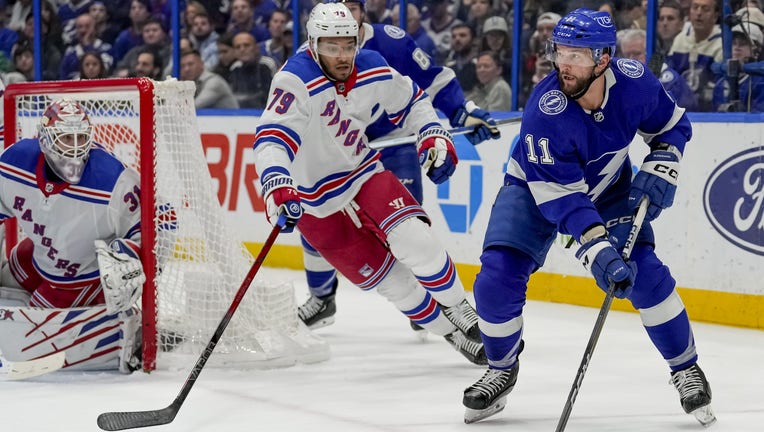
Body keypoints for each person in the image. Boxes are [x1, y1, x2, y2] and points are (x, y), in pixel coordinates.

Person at [461, 8, 716, 427]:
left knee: (645, 273)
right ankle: (502, 367)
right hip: (533, 190)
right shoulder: (544, 112)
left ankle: (685, 367)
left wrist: (664, 159)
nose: (564, 63)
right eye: (560, 52)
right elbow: (564, 201)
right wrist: (595, 246)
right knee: (496, 276)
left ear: (603, 59)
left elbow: (672, 125)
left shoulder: (635, 83)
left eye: (577, 55)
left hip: (611, 188)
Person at [253, 2, 487, 365]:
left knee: (415, 239)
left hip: (361, 171)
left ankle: (460, 308)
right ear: (313, 45)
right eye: (332, 46)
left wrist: (431, 133)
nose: (343, 55)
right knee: (396, 285)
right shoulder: (294, 79)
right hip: (313, 200)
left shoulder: (372, 64)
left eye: (348, 44)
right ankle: (452, 335)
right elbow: (271, 138)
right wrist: (276, 183)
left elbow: (412, 100)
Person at [0, 99, 147, 372]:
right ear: (44, 139)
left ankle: (121, 329)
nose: (76, 147)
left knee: (29, 328)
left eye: (81, 137)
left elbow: (162, 218)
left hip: (80, 275)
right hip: (39, 254)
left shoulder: (113, 178)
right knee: (9, 274)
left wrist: (129, 254)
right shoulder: (14, 160)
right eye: (67, 138)